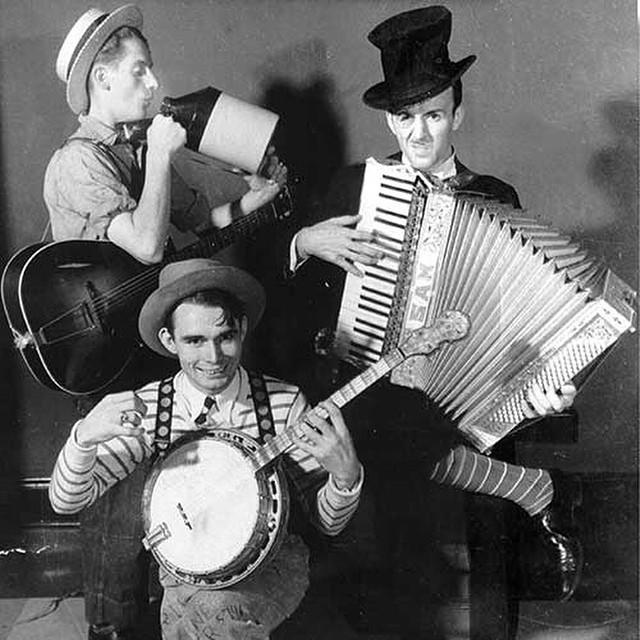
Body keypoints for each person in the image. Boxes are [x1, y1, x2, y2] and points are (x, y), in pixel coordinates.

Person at [284, 4, 583, 613]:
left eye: (434, 115)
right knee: (359, 419)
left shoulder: (492, 196)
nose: (418, 133)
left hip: (459, 387)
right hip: (368, 375)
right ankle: (532, 491)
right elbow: (299, 301)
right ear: (389, 121)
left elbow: (518, 309)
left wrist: (547, 380)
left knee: (377, 433)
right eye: (405, 117)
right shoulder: (352, 187)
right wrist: (303, 242)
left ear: (457, 115)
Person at [43, 6, 288, 639]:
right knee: (119, 511)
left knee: (173, 489)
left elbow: (197, 229)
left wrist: (253, 202)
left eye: (151, 70)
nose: (154, 84)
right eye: (139, 71)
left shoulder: (137, 149)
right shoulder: (77, 163)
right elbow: (148, 246)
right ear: (101, 79)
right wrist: (158, 155)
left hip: (149, 340)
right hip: (106, 357)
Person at [49, 258, 364, 640]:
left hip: (272, 565)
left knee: (214, 618)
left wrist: (345, 478)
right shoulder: (152, 408)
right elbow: (66, 501)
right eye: (194, 340)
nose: (213, 358)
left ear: (242, 329)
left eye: (225, 336)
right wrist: (83, 438)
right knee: (199, 621)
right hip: (184, 570)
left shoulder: (283, 403)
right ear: (169, 341)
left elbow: (328, 523)